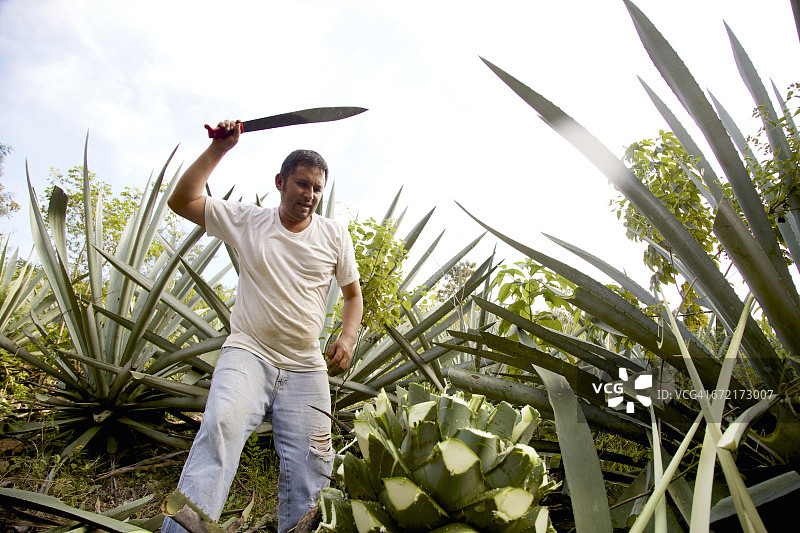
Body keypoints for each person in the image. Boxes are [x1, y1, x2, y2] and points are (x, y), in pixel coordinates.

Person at [162, 120, 363, 533]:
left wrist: (347, 336)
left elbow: (352, 296)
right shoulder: (248, 220)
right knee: (221, 426)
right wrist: (219, 148)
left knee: (314, 464)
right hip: (249, 353)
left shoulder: (334, 235)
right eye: (302, 184)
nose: (310, 195)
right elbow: (181, 201)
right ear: (280, 182)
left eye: (317, 188)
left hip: (305, 366)